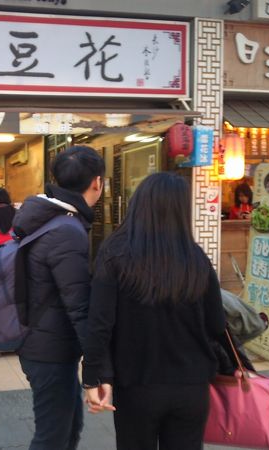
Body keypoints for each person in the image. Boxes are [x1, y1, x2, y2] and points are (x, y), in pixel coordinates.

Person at [82, 172, 226, 450]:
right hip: (191, 385)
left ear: (138, 204)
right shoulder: (196, 258)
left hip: (137, 385)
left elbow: (99, 324)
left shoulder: (114, 253)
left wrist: (94, 377)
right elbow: (217, 324)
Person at [12, 145, 105, 450]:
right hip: (49, 351)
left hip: (44, 345)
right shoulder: (66, 229)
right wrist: (97, 370)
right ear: (98, 182)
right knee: (52, 437)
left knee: (68, 428)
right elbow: (79, 306)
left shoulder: (52, 219)